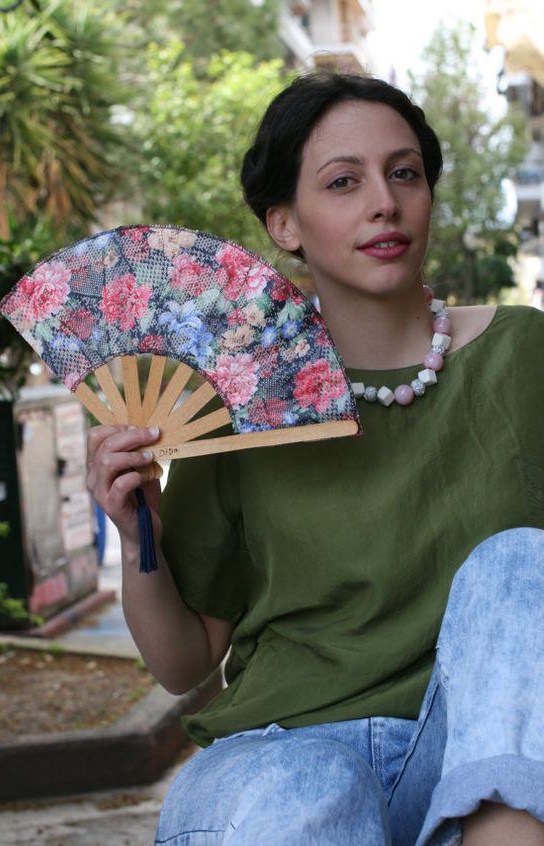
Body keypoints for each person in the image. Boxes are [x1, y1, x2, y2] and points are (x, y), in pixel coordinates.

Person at [86, 73, 544, 845]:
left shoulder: (525, 353)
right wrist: (138, 540)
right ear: (286, 224)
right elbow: (184, 664)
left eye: (405, 173)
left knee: (522, 562)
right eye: (343, 182)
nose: (384, 203)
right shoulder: (238, 394)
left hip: (470, 759)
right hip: (278, 768)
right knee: (317, 785)